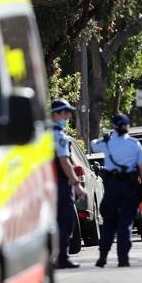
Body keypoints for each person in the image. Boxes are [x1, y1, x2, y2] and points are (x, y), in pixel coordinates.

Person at [91, 113, 142, 268]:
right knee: (126, 223)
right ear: (128, 126)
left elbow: (93, 144)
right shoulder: (134, 144)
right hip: (129, 186)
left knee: (109, 222)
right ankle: (123, 259)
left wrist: (105, 137)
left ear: (114, 127)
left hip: (112, 187)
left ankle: (103, 256)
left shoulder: (107, 143)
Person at [52, 98, 87, 269]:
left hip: (47, 184)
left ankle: (54, 257)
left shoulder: (42, 134)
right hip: (60, 184)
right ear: (55, 114)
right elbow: (64, 161)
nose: (68, 116)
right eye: (65, 113)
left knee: (55, 222)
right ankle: (62, 258)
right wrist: (76, 184)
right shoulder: (59, 135)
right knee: (66, 221)